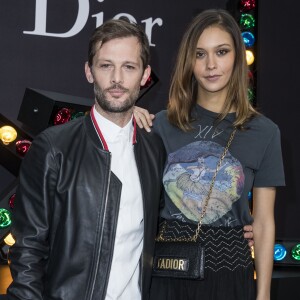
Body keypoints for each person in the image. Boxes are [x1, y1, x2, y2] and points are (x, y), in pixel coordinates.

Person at [6, 18, 166, 300]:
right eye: (106, 66)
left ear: (145, 75)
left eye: (129, 67)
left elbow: (162, 229)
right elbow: (27, 252)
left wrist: (237, 228)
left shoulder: (153, 148)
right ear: (89, 71)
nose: (117, 78)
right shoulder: (53, 148)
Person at [134, 8, 285, 300]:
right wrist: (127, 118)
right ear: (189, 61)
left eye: (222, 52)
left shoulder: (265, 132)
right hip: (168, 272)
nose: (211, 65)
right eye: (200, 54)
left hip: (230, 274)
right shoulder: (162, 124)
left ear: (237, 58)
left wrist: (263, 294)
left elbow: (264, 222)